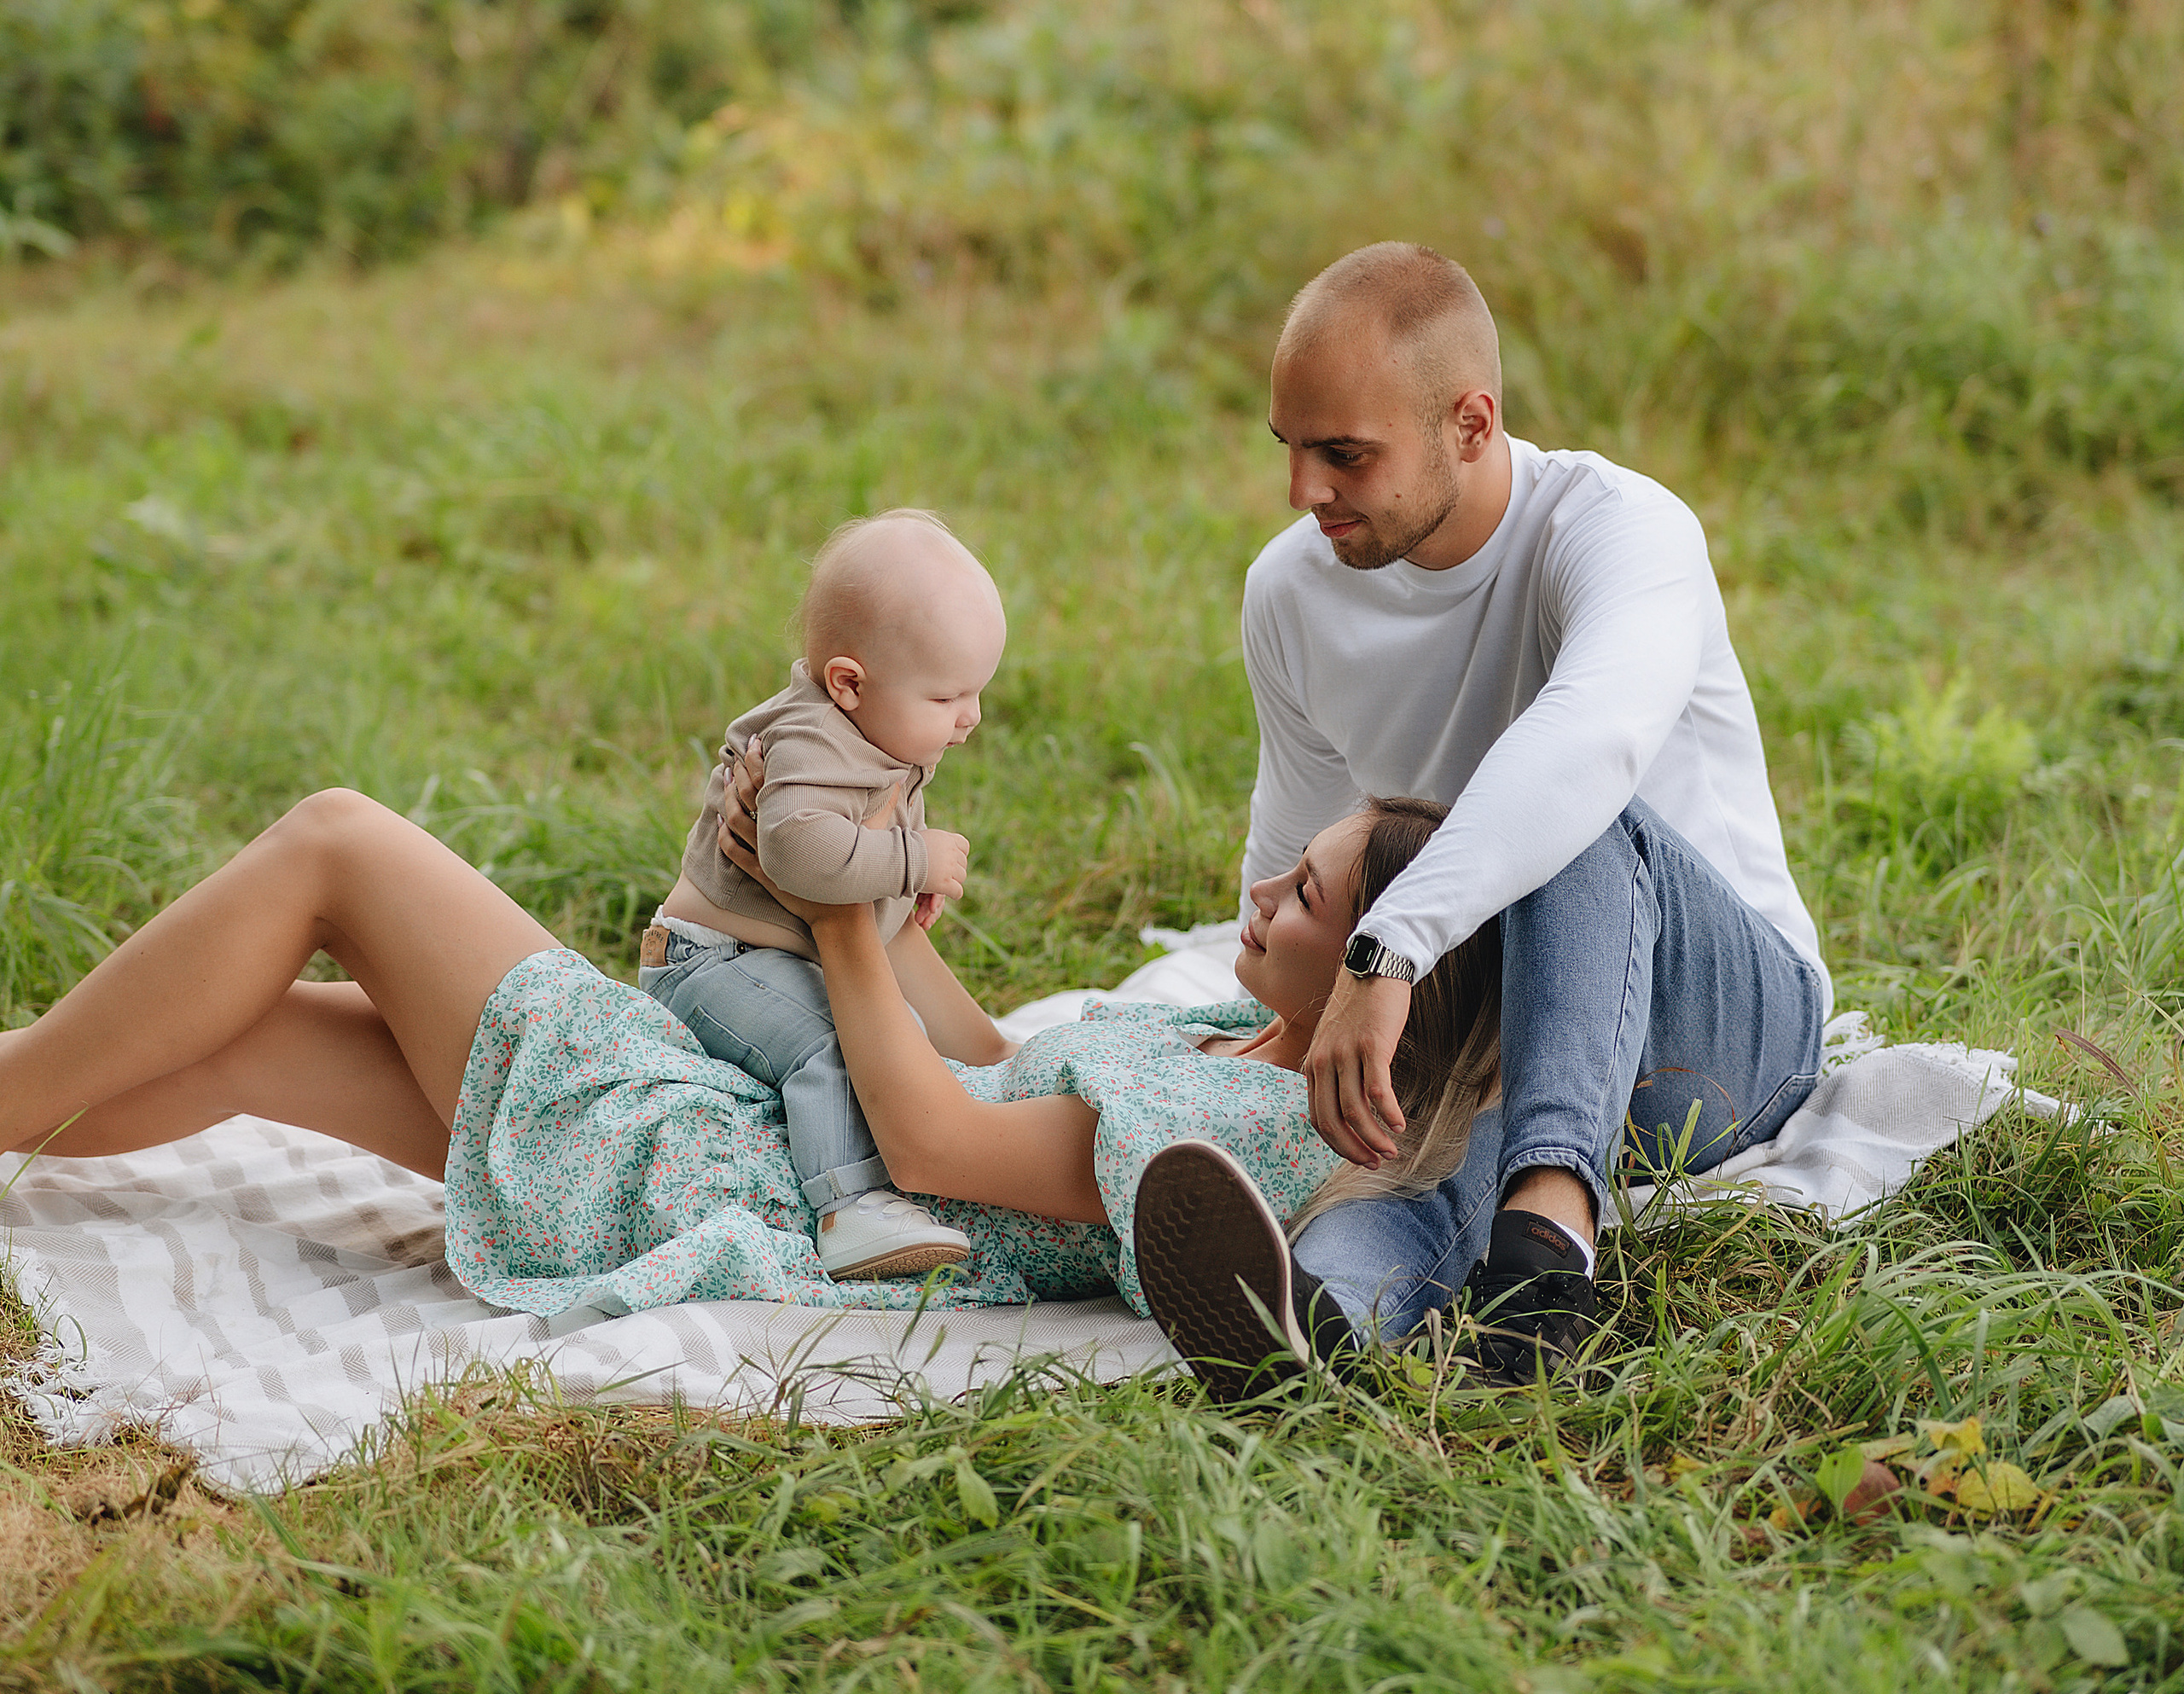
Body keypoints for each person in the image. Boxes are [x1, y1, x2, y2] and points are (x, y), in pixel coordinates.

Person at [0, 779, 1486, 1338]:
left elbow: (935, 1156)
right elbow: (981, 1063)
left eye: (1311, 902)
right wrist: (892, 923)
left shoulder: (1258, 1134)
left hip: (753, 1177)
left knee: (339, 841)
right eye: (1292, 866)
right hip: (758, 1122)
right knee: (254, 1041)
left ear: (1390, 978)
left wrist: (837, 936)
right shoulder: (1217, 1030)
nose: (1266, 896)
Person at [1127, 240, 1831, 1394]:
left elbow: (1588, 746)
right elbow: (1294, 844)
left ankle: (1551, 1254)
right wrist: (1273, 1049)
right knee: (1411, 1167)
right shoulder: (1293, 589)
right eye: (1290, 449)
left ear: (1470, 420)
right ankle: (1315, 1319)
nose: (1303, 492)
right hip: (1484, 1045)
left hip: (1721, 1033)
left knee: (1575, 820)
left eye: (1343, 454)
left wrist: (1386, 948)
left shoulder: (1620, 532)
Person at [641, 509, 1001, 1287]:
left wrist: (896, 888)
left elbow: (856, 844)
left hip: (764, 955)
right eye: (948, 697)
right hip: (710, 964)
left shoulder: (877, 728)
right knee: (830, 1042)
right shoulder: (810, 739)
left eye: (977, 690)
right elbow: (801, 851)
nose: (971, 715)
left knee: (896, 1035)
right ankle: (850, 1208)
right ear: (848, 682)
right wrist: (910, 857)